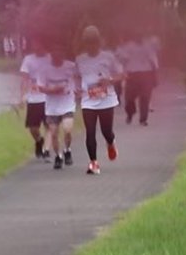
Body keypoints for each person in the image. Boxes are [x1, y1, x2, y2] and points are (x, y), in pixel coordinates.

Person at [75, 26, 124, 175]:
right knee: (90, 131)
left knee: (106, 130)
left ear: (99, 43)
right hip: (88, 100)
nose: (91, 46)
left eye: (94, 43)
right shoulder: (80, 59)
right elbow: (76, 77)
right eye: (88, 43)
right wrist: (76, 89)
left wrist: (109, 80)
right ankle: (93, 163)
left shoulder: (108, 57)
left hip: (106, 99)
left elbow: (121, 75)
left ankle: (111, 142)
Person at [37, 48, 79, 170]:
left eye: (59, 56)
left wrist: (79, 88)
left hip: (67, 104)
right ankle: (58, 156)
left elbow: (79, 77)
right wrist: (53, 90)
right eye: (54, 56)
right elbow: (41, 88)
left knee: (67, 129)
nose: (57, 58)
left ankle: (67, 150)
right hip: (52, 107)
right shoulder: (44, 70)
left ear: (63, 55)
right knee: (54, 133)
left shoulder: (71, 66)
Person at [19, 39, 52, 162]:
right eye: (35, 44)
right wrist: (22, 96)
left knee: (49, 126)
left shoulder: (50, 59)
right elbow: (24, 79)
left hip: (48, 98)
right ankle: (39, 141)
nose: (37, 47)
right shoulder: (28, 60)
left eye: (40, 44)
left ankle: (46, 151)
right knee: (33, 127)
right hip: (33, 98)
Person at [117, 34, 159, 126]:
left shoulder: (148, 47)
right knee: (129, 98)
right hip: (132, 74)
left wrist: (154, 76)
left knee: (145, 98)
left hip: (146, 73)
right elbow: (122, 59)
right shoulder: (128, 47)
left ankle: (143, 119)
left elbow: (153, 61)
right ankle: (130, 113)